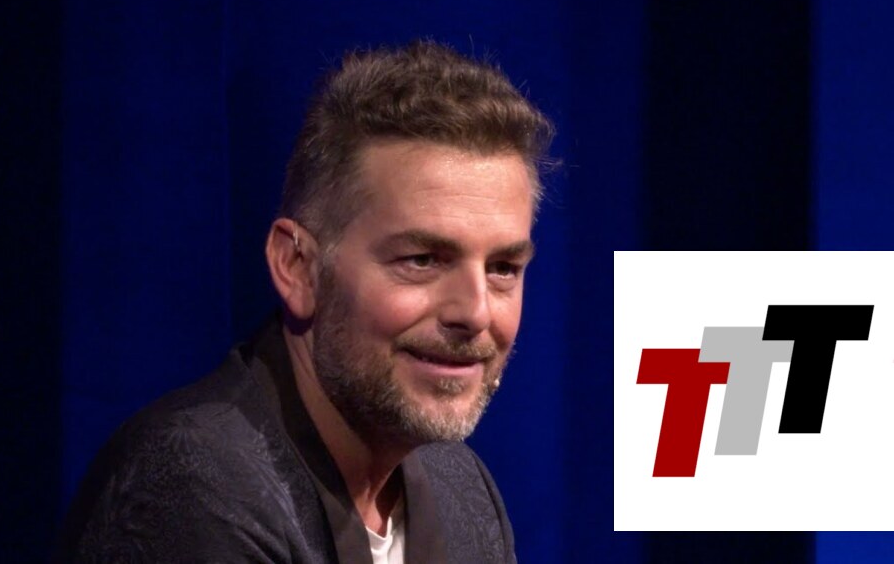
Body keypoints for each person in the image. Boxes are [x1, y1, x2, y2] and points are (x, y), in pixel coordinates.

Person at [56, 40, 552, 563]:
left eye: (503, 268)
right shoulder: (192, 489)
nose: (475, 312)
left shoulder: (460, 486)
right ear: (297, 267)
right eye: (422, 260)